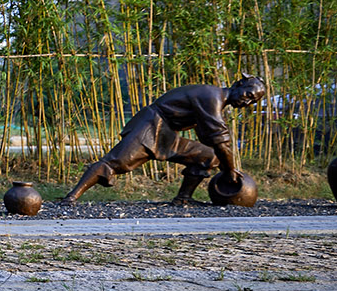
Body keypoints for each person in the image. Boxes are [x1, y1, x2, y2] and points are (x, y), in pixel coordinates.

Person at [58, 76, 268, 205]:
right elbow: (222, 141)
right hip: (152, 125)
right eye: (248, 94)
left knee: (208, 156)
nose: (247, 101)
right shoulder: (211, 96)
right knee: (117, 162)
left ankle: (183, 198)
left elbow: (213, 143)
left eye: (253, 101)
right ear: (239, 84)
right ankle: (72, 197)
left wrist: (224, 164)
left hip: (168, 133)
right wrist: (231, 170)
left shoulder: (216, 102)